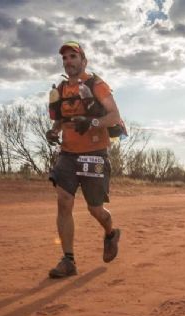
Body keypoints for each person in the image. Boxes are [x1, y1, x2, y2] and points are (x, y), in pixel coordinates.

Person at [46, 41, 125, 278]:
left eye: (73, 56)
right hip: (68, 154)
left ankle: (110, 233)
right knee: (64, 201)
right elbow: (59, 120)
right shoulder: (60, 89)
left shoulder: (96, 85)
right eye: (65, 58)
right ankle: (68, 260)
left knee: (95, 209)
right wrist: (54, 131)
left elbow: (114, 116)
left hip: (94, 154)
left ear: (83, 60)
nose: (68, 61)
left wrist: (91, 122)